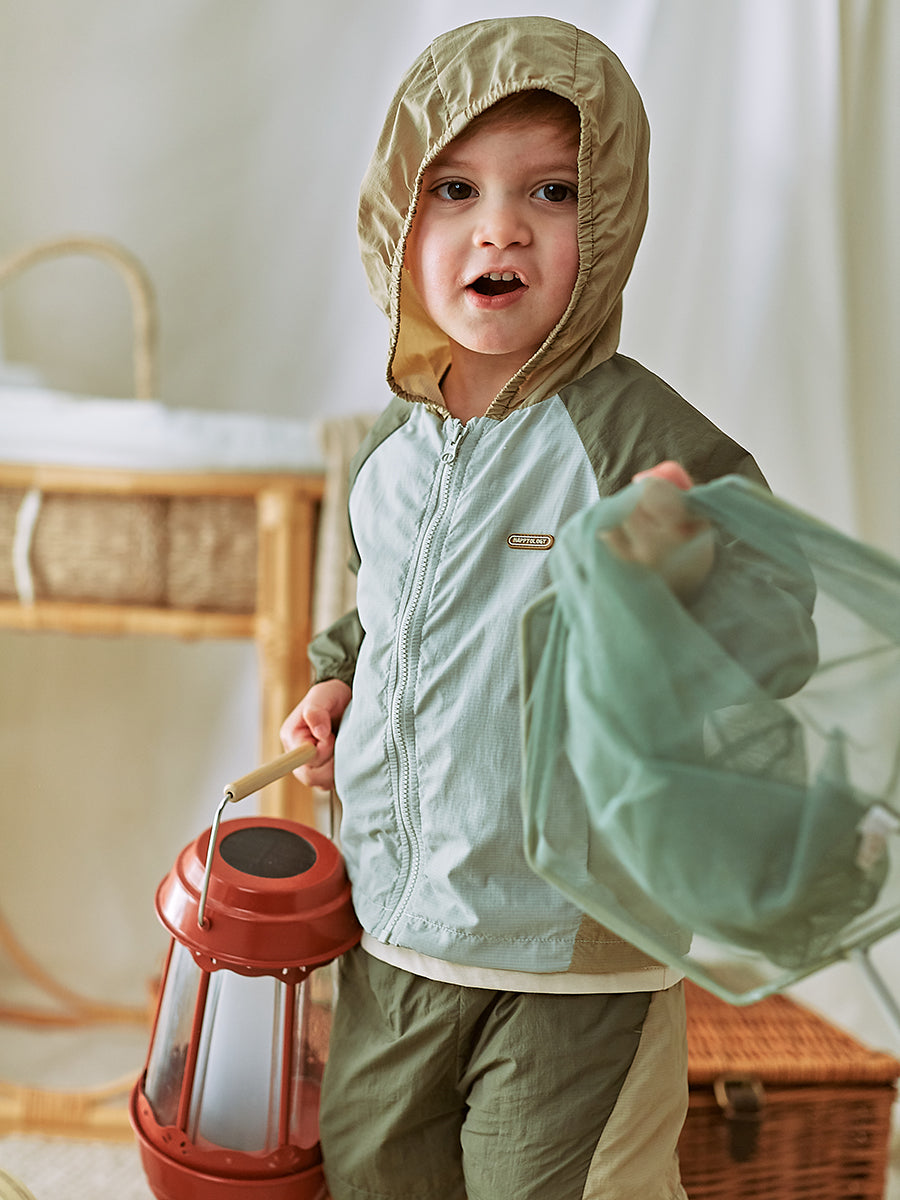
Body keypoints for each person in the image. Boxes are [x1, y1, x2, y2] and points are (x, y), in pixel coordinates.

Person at [281, 16, 782, 1200]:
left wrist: (681, 575)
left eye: (551, 192)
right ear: (397, 221)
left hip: (572, 955)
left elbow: (774, 625)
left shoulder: (638, 440)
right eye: (455, 189)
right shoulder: (391, 446)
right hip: (397, 927)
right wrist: (338, 681)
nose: (500, 227)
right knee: (374, 1173)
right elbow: (389, 610)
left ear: (607, 223)